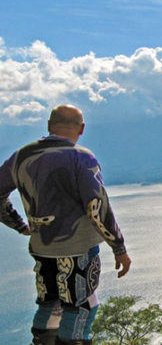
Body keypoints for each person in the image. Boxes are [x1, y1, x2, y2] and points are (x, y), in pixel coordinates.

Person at [0, 105, 132, 345]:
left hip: (42, 247)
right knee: (81, 306)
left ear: (49, 125)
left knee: (49, 303)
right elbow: (97, 207)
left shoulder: (20, 156)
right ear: (81, 129)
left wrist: (20, 225)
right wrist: (119, 247)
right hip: (78, 249)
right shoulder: (81, 157)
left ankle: (41, 342)